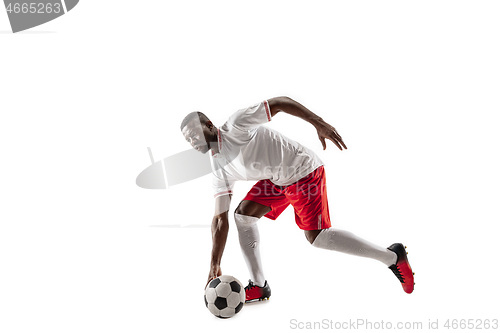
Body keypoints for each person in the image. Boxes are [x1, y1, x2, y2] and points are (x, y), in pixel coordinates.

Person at [180, 97, 414, 302]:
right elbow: (220, 219)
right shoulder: (218, 167)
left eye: (194, 134)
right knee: (242, 215)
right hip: (278, 180)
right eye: (188, 139)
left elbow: (280, 103)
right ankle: (259, 286)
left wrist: (318, 123)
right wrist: (214, 264)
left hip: (302, 170)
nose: (192, 141)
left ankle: (392, 256)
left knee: (318, 238)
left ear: (209, 125)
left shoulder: (236, 124)